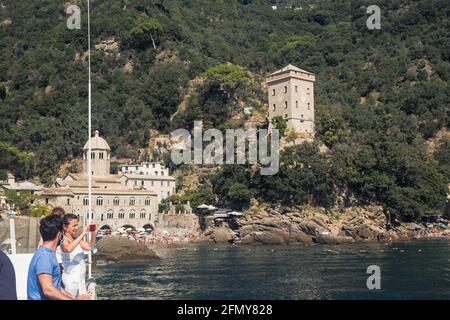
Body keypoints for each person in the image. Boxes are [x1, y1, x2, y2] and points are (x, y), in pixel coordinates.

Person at [27, 214, 90, 300]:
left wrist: (74, 298)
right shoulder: (45, 257)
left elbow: (55, 287)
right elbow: (48, 289)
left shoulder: (47, 254)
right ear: (59, 235)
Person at [61, 214, 97, 297]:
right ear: (65, 227)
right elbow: (68, 249)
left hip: (80, 279)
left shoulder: (74, 239)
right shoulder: (63, 240)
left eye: (77, 225)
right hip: (71, 280)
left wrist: (94, 233)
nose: (76, 228)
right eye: (74, 226)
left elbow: (89, 247)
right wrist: (83, 234)